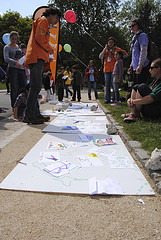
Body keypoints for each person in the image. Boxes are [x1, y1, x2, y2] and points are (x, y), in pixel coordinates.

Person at [23, 7, 61, 124]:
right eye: (57, 18)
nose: (56, 21)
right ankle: (29, 115)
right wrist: (50, 49)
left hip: (38, 57)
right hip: (36, 57)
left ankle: (35, 113)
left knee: (36, 87)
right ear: (52, 14)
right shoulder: (43, 20)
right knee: (35, 87)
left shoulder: (43, 22)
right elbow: (40, 38)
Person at [122, 58, 161, 123]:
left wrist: (133, 101)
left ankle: (135, 115)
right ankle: (133, 113)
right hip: (151, 107)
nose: (149, 70)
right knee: (136, 87)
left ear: (158, 69)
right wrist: (131, 100)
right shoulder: (155, 81)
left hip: (156, 111)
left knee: (142, 87)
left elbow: (151, 98)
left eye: (151, 68)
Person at [99, 37, 127, 104]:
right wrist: (105, 49)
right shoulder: (106, 50)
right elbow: (100, 56)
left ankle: (115, 99)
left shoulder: (117, 49)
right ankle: (107, 99)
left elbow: (125, 54)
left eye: (112, 42)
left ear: (114, 43)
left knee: (114, 85)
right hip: (106, 69)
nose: (110, 44)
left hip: (114, 70)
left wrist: (114, 52)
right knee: (107, 85)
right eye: (109, 42)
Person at [3, 31, 27, 108]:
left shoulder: (18, 47)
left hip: (21, 68)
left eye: (16, 39)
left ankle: (23, 104)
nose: (14, 40)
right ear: (10, 38)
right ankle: (14, 106)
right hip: (13, 69)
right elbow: (6, 58)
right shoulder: (7, 47)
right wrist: (15, 62)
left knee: (24, 86)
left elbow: (21, 56)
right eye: (13, 39)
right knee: (14, 88)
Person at [128, 18, 150, 85]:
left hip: (142, 67)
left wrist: (140, 64)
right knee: (135, 88)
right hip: (135, 67)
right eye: (130, 26)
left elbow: (143, 51)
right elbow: (134, 54)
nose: (131, 28)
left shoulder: (142, 36)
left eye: (133, 25)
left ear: (138, 25)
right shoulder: (134, 37)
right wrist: (131, 66)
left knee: (141, 89)